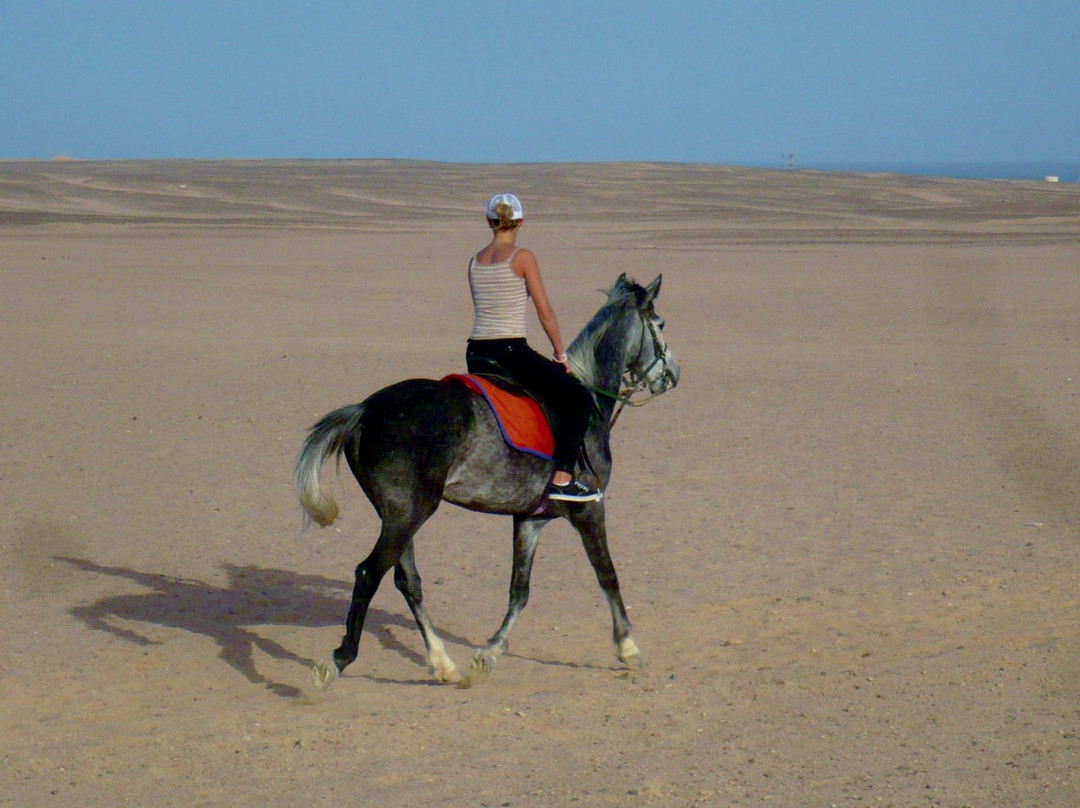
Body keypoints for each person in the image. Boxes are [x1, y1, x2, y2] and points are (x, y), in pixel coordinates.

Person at [465, 192, 601, 503]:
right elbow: (545, 311)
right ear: (520, 222)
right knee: (579, 398)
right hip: (510, 352)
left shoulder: (474, 261)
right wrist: (560, 355)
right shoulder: (522, 257)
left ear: (489, 222)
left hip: (476, 354)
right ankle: (563, 479)